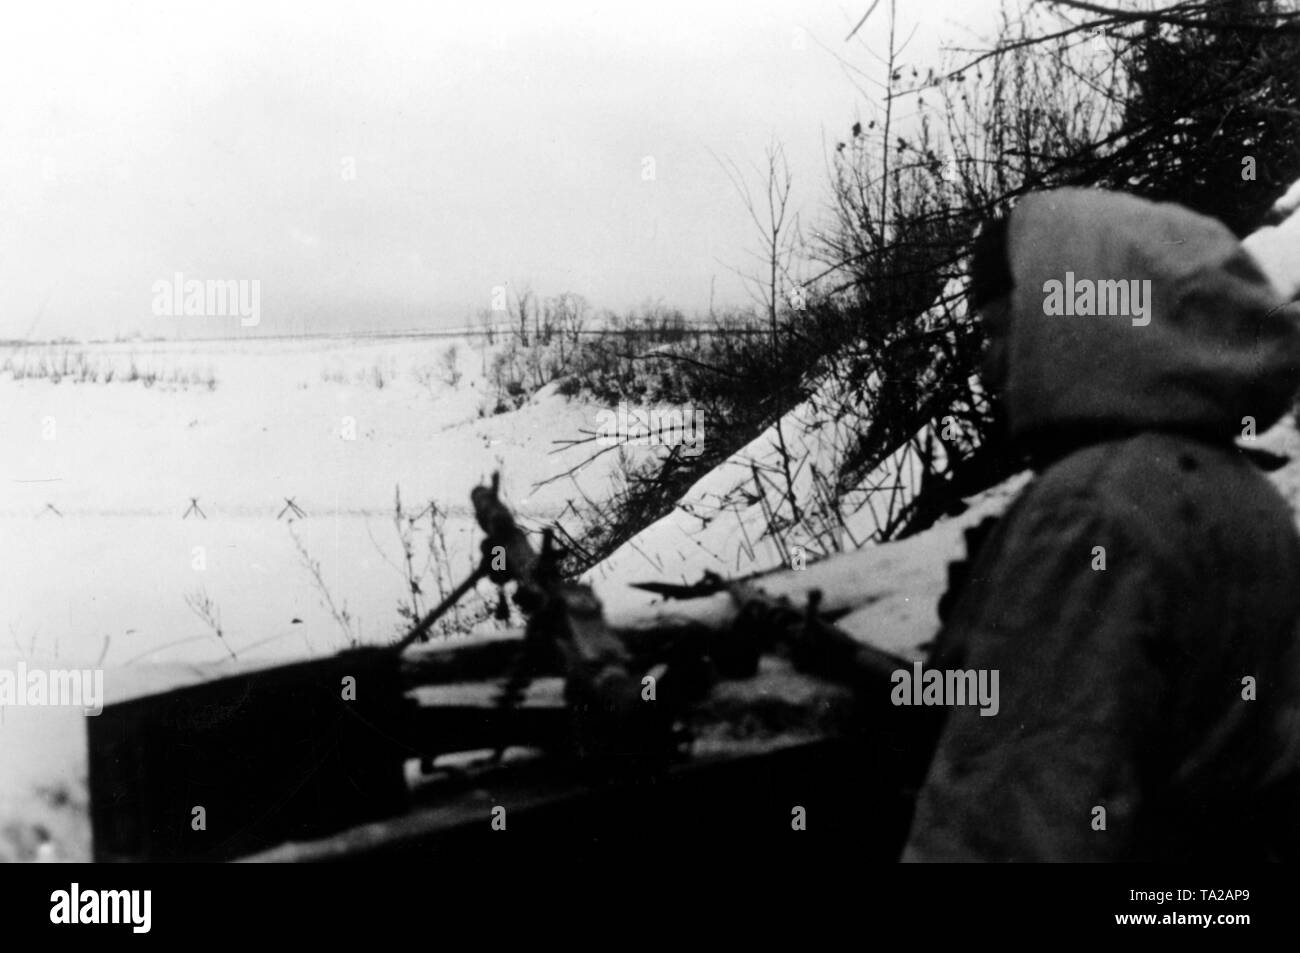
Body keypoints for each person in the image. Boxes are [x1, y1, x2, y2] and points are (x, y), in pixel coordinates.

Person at [902, 188, 1300, 861]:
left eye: (1001, 331)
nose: (989, 367)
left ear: (1069, 326)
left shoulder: (1092, 512)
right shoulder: (1242, 490)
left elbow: (1012, 821)